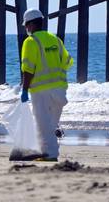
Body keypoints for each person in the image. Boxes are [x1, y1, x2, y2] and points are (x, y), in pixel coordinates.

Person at [19, 9, 74, 162]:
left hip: (41, 91)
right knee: (51, 124)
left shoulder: (30, 42)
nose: (26, 28)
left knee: (43, 125)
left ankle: (50, 155)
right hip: (60, 91)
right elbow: (68, 62)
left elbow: (28, 69)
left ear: (30, 24)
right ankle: (48, 152)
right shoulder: (55, 39)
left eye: (26, 25)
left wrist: (24, 90)